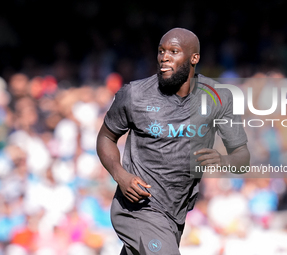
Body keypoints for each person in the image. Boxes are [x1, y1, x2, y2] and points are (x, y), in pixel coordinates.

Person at [96, 27, 250, 255]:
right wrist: (121, 175)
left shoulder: (218, 97)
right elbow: (106, 137)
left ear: (194, 58)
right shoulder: (134, 94)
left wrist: (223, 159)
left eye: (174, 51)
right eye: (161, 51)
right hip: (138, 208)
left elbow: (242, 157)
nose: (164, 57)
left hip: (175, 212)